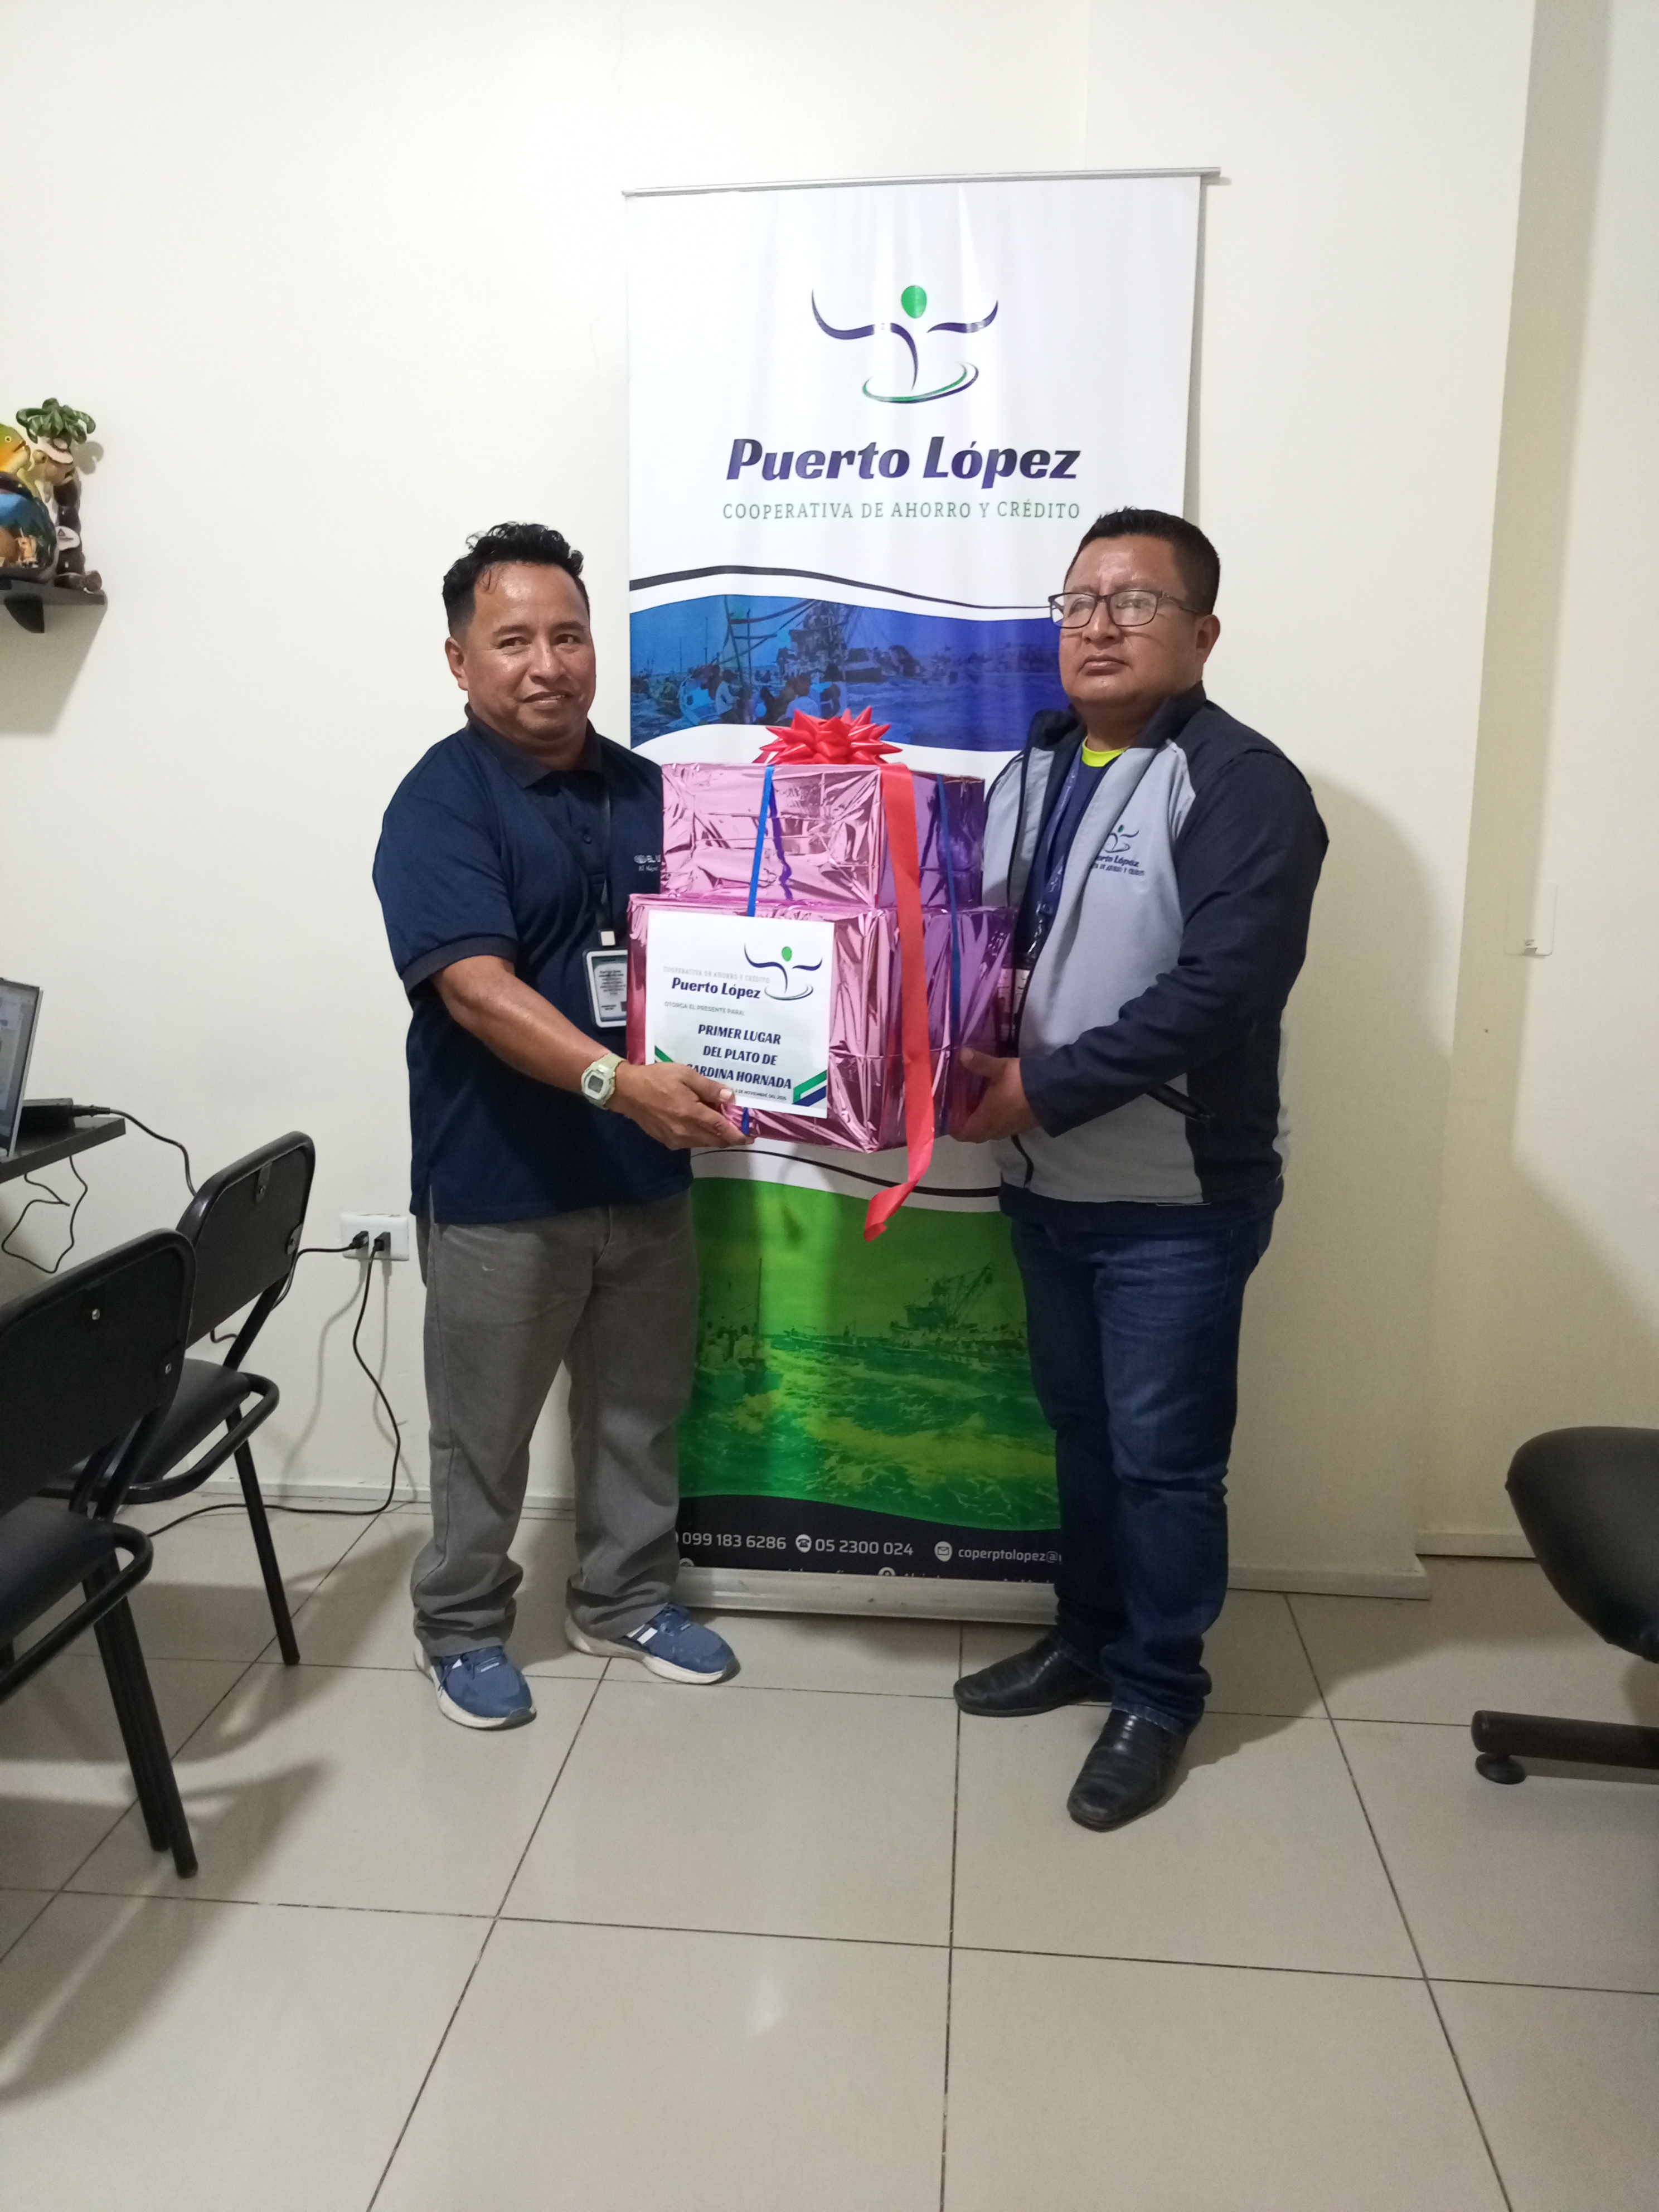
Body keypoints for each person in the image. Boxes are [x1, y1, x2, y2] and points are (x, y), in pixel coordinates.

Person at [955, 507, 1327, 1830]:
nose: (1098, 626)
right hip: (1044, 1185)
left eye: (1135, 602)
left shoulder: (1241, 783)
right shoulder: (1031, 770)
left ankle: (1161, 1691)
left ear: (1203, 633)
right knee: (1081, 1433)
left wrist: (1037, 1087)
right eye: (1078, 602)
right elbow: (976, 952)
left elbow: (1224, 989)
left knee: (1165, 1463)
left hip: (1174, 1201)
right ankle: (1088, 1638)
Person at [373, 522, 749, 1730]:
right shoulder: (440, 801)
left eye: (570, 635)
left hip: (645, 1177)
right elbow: (475, 990)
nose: (549, 663)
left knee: (639, 1411)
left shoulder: (654, 794)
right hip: (500, 1185)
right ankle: (459, 1625)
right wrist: (620, 1085)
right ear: (460, 659)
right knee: (482, 1434)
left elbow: (728, 955)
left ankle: (624, 1598)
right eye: (514, 639)